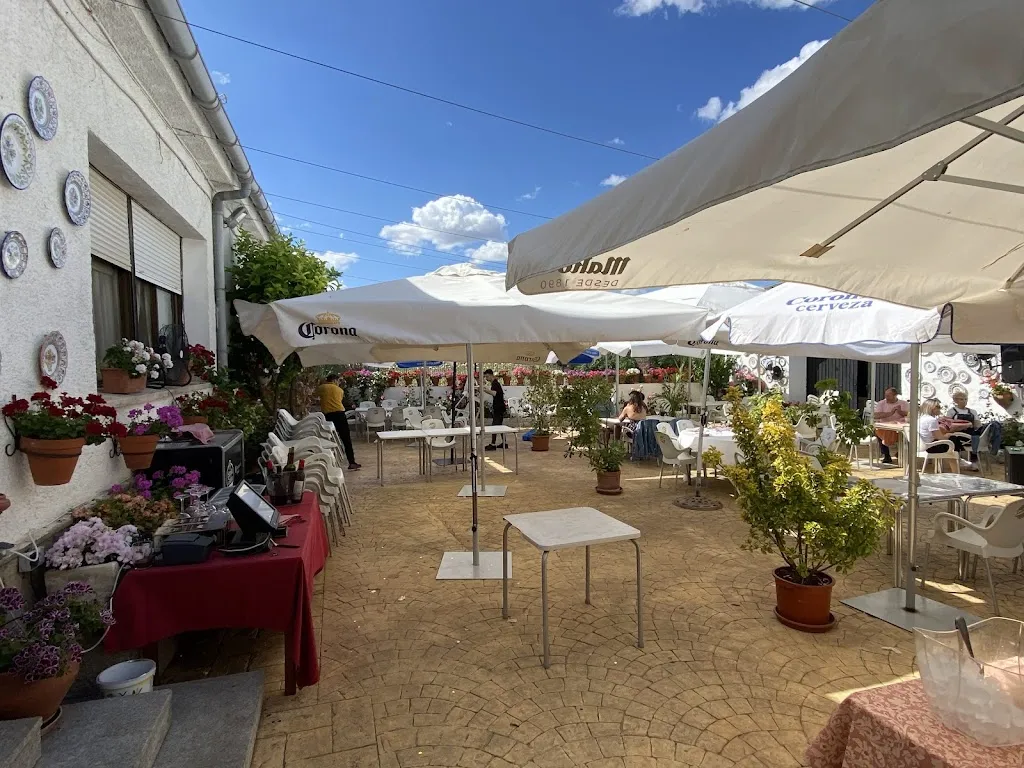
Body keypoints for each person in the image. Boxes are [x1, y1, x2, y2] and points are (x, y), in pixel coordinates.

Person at [315, 373, 361, 470]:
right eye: (338, 381)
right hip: (340, 414)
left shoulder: (321, 388)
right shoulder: (340, 390)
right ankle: (351, 462)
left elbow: (316, 396)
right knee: (346, 439)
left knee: (329, 438)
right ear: (335, 380)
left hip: (327, 416)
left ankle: (328, 462)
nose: (339, 383)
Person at [919, 397, 971, 466]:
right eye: (937, 407)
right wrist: (947, 435)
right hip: (930, 447)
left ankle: (959, 459)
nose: (939, 408)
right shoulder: (932, 420)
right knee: (953, 439)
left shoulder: (920, 419)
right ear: (931, 408)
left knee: (952, 440)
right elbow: (940, 438)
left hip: (921, 446)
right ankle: (958, 460)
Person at [945, 392, 984, 471]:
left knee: (975, 437)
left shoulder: (972, 411)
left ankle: (974, 462)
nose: (964, 401)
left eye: (966, 399)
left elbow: (978, 424)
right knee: (953, 438)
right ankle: (958, 460)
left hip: (970, 433)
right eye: (961, 399)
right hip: (957, 433)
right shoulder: (951, 411)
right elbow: (948, 425)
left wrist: (974, 424)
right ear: (955, 400)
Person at [873, 387, 908, 465]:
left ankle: (900, 453)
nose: (886, 397)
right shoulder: (881, 403)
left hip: (899, 426)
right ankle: (886, 455)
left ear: (895, 395)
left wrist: (900, 411)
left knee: (908, 433)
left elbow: (908, 414)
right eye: (886, 395)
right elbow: (876, 415)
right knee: (878, 432)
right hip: (884, 426)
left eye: (889, 396)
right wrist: (890, 413)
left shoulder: (903, 403)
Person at [482, 369, 508, 451]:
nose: (486, 378)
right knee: (499, 426)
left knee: (495, 426)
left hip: (498, 408)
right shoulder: (495, 383)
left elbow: (495, 393)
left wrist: (485, 390)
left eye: (487, 376)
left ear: (491, 375)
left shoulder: (495, 383)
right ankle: (504, 443)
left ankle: (493, 444)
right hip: (499, 407)